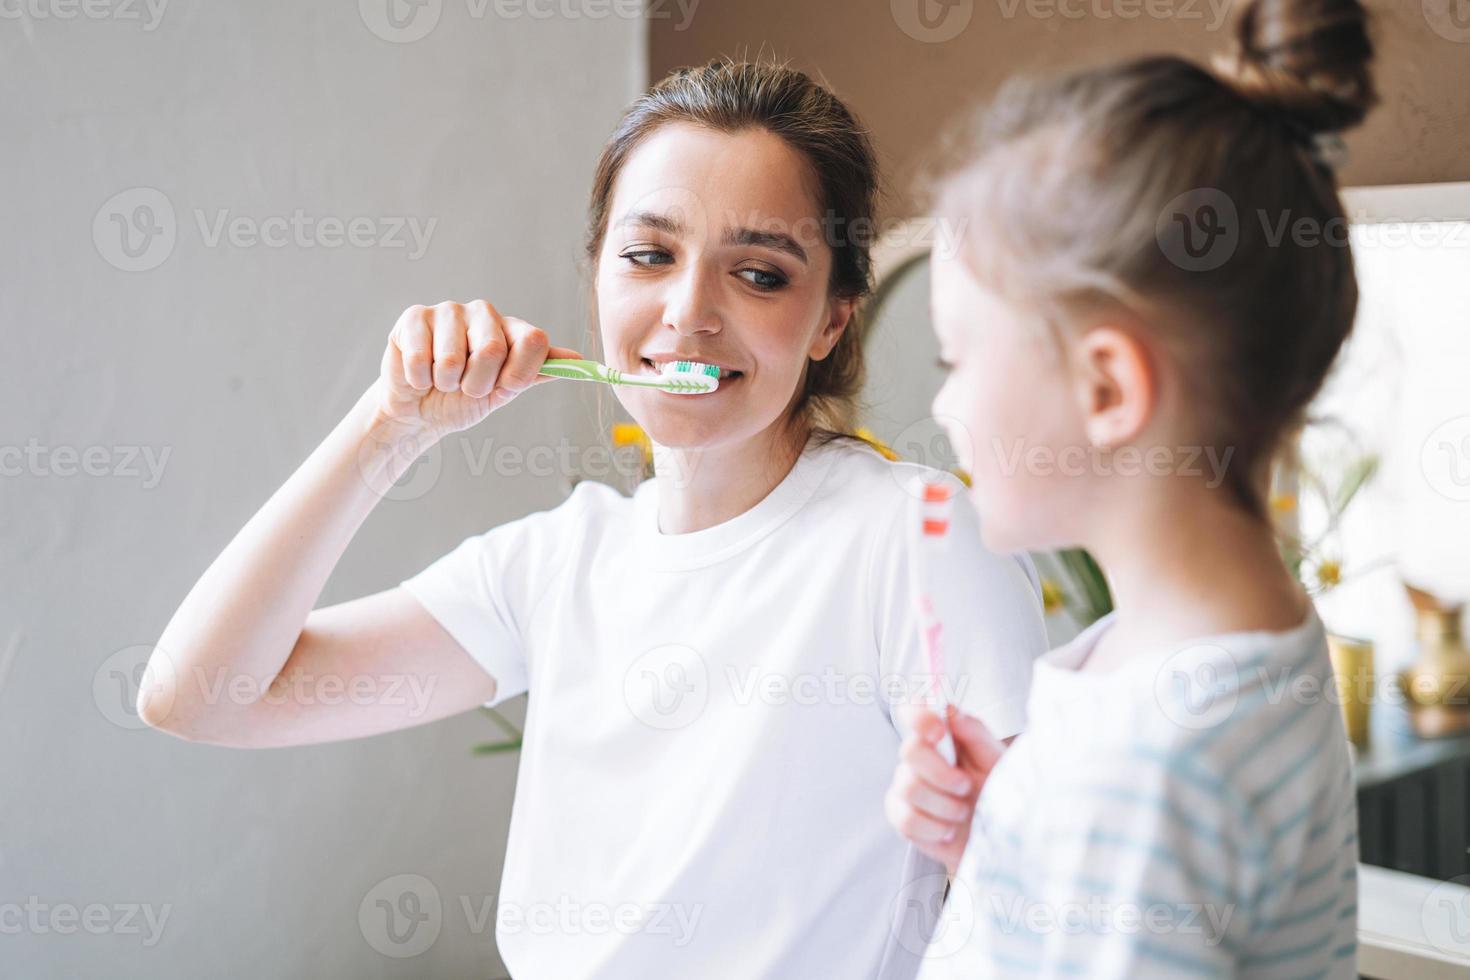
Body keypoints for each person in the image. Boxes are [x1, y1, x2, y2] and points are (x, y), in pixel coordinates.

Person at [141, 60, 1048, 979]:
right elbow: (200, 697)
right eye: (650, 256)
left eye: (760, 273)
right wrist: (388, 427)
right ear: (598, 282)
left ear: (830, 321)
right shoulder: (557, 564)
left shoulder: (915, 539)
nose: (689, 312)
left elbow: (1044, 893)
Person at [887, 1, 1375, 974]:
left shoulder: (1147, 775)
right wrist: (1009, 854)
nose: (944, 408)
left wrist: (1075, 841)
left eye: (956, 359)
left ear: (1107, 387)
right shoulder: (1237, 651)